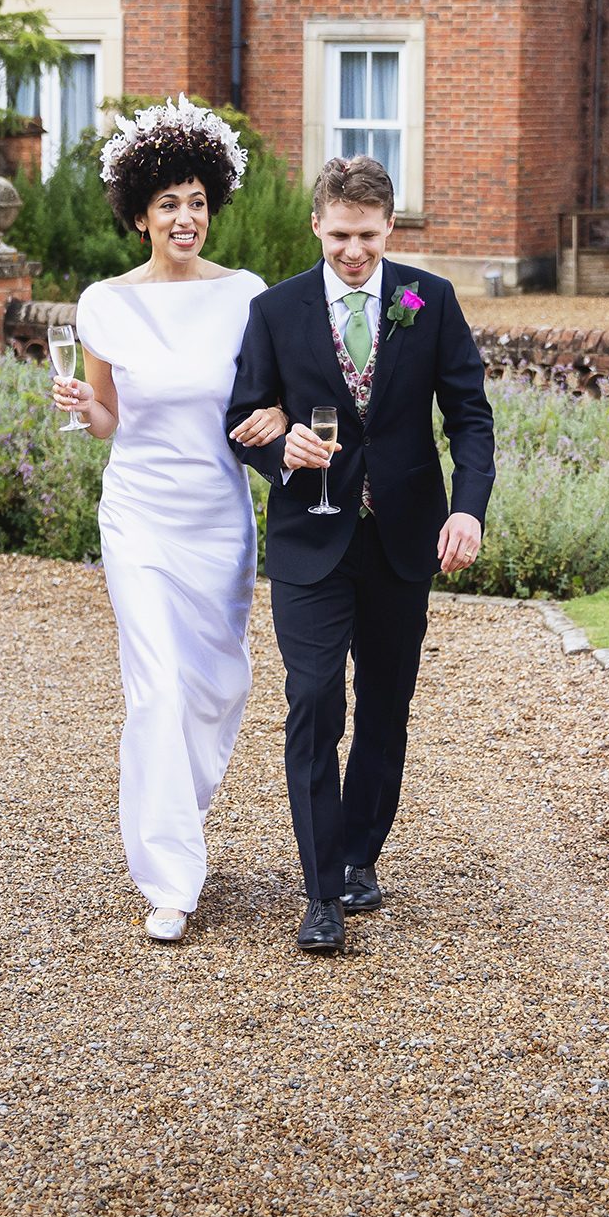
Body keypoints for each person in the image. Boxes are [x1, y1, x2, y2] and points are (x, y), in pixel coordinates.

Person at [223, 155, 495, 956]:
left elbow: (470, 419)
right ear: (317, 225)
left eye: (369, 237)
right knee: (313, 702)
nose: (353, 252)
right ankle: (319, 893)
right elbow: (241, 414)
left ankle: (358, 858)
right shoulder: (275, 310)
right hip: (311, 537)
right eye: (340, 235)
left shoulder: (426, 298)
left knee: (384, 706)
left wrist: (467, 511)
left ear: (390, 228)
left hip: (403, 539)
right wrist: (283, 451)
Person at [51, 99, 288, 944]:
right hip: (140, 517)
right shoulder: (103, 303)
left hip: (219, 515)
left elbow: (265, 402)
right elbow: (109, 420)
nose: (184, 218)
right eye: (167, 205)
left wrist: (277, 422)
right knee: (155, 688)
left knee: (218, 685)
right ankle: (169, 876)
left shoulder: (247, 296)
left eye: (195, 201)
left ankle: (171, 813)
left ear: (211, 205)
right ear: (140, 216)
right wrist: (85, 406)